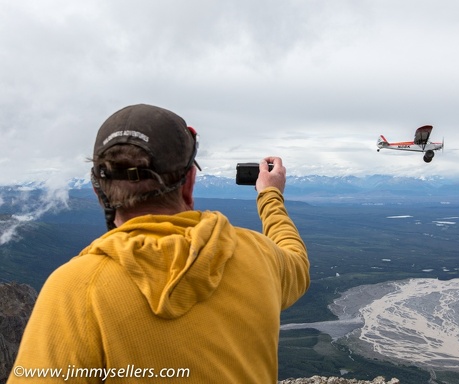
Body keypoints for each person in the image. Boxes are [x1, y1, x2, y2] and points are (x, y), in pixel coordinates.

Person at [9, 104, 310, 383]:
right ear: (189, 183)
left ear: (98, 192)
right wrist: (270, 195)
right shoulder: (258, 255)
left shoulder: (76, 289)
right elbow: (296, 260)